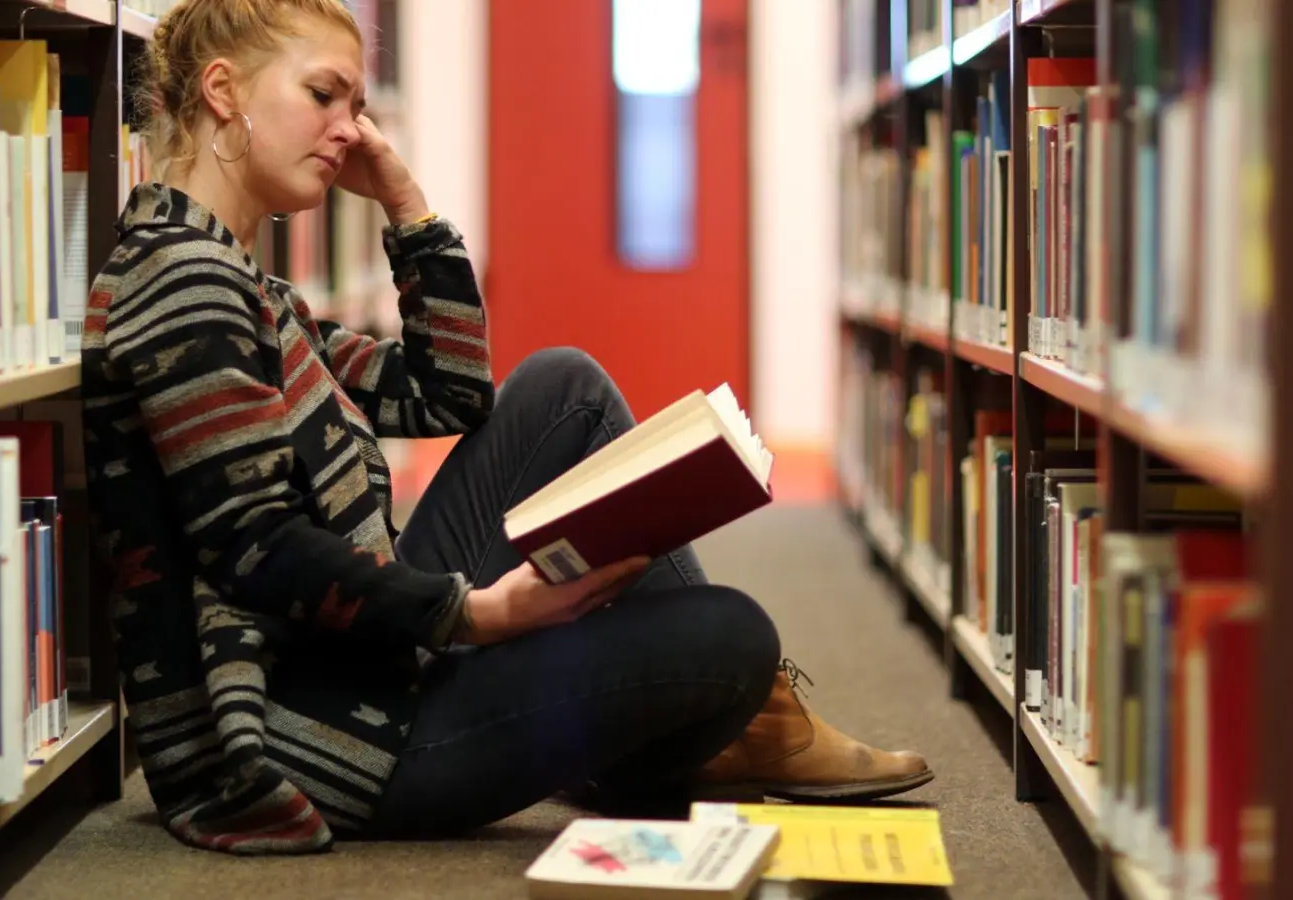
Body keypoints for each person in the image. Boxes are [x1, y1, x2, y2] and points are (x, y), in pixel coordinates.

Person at [81, 0, 932, 856]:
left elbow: (448, 398)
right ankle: (730, 724)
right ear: (223, 92)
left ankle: (733, 725)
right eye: (324, 95)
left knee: (564, 387)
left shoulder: (243, 284)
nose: (349, 129)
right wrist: (478, 617)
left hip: (349, 662)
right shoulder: (183, 286)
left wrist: (406, 205)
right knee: (731, 635)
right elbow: (258, 546)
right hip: (312, 737)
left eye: (358, 106)